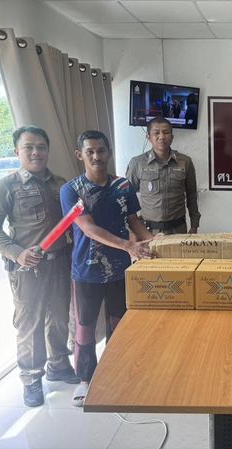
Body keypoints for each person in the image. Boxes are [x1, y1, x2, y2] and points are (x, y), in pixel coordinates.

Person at [0, 126, 79, 407]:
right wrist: (17, 253)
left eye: (41, 147)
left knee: (59, 318)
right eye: (29, 147)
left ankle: (58, 365)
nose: (36, 152)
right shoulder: (6, 186)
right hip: (27, 269)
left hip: (59, 263)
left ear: (48, 150)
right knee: (30, 324)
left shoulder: (60, 184)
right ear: (17, 151)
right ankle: (32, 377)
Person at [60, 130, 153, 406]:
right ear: (80, 155)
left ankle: (115, 373)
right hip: (86, 271)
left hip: (120, 270)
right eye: (90, 151)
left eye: (101, 150)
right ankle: (85, 379)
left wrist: (154, 242)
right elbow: (88, 228)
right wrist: (128, 246)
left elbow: (134, 222)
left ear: (109, 153)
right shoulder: (71, 190)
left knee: (119, 324)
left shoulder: (123, 186)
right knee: (85, 328)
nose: (96, 156)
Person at [126, 117, 201, 235]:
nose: (161, 137)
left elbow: (192, 195)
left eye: (166, 132)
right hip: (148, 232)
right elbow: (128, 198)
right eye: (156, 133)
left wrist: (194, 225)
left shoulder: (185, 162)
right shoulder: (137, 163)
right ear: (148, 137)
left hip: (178, 230)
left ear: (172, 137)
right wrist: (133, 232)